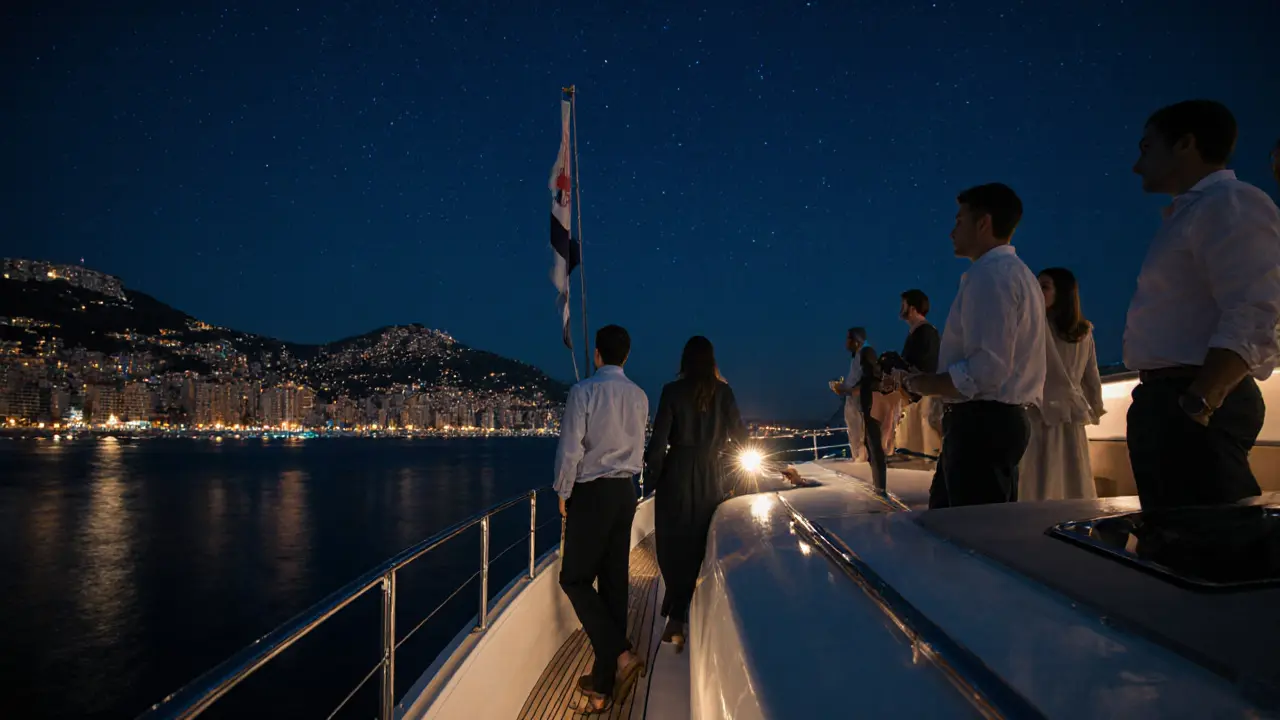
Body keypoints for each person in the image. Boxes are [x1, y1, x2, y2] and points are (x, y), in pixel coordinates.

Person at [1124, 100, 1280, 509]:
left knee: (1213, 546)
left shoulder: (1231, 203)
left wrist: (1201, 399)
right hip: (1174, 398)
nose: (1137, 165)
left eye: (1145, 148)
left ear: (1185, 144)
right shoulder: (1193, 213)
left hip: (1194, 401)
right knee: (1179, 541)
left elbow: (1258, 307)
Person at [902, 183, 1047, 508]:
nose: (952, 230)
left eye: (959, 220)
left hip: (983, 425)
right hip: (996, 423)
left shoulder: (991, 276)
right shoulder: (1019, 274)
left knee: (972, 535)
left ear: (983, 223)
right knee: (972, 524)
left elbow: (986, 370)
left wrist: (924, 383)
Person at [554, 324, 648, 712]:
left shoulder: (584, 391)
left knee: (574, 578)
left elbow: (571, 446)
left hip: (592, 492)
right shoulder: (640, 395)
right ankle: (602, 688)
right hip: (625, 491)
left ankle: (621, 656)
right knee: (613, 584)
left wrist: (563, 491)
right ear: (626, 356)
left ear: (596, 354)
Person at [646, 336, 747, 652]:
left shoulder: (671, 392)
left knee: (671, 539)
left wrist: (652, 478)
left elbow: (658, 443)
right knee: (701, 538)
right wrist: (742, 483)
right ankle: (684, 609)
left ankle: (676, 612)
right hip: (711, 473)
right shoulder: (724, 392)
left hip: (676, 472)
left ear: (685, 360)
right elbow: (740, 437)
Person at [1019, 268, 1106, 501]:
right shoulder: (1083, 332)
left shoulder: (1035, 329)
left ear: (1063, 293)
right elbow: (1091, 379)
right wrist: (1095, 407)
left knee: (1039, 481)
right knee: (1071, 479)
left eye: (1044, 286)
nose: (1037, 291)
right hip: (1070, 415)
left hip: (1039, 414)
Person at [893, 289, 943, 457]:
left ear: (912, 308)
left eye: (904, 305)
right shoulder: (918, 332)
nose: (901, 308)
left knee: (924, 453)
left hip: (922, 400)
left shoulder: (926, 332)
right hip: (916, 399)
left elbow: (926, 367)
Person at [832, 327, 870, 461]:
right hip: (853, 402)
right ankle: (859, 459)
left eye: (848, 338)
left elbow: (867, 381)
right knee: (855, 435)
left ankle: (862, 462)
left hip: (858, 404)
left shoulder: (865, 354)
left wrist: (845, 390)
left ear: (856, 341)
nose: (846, 342)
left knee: (859, 435)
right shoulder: (858, 356)